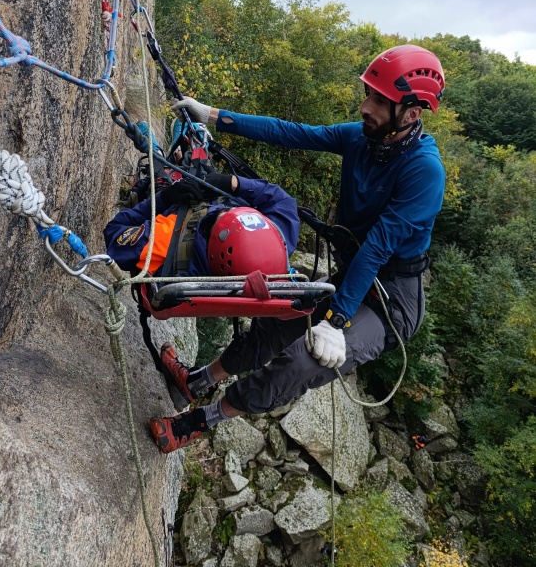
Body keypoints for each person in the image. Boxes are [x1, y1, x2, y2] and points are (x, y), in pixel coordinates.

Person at [142, 44, 446, 454]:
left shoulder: (424, 171)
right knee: (278, 319)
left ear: (411, 114)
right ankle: (198, 381)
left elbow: (377, 248)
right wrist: (212, 115)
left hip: (390, 303)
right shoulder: (363, 139)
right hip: (356, 275)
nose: (365, 107)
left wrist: (335, 321)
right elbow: (293, 132)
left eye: (379, 100)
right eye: (369, 94)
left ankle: (202, 420)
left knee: (304, 360)